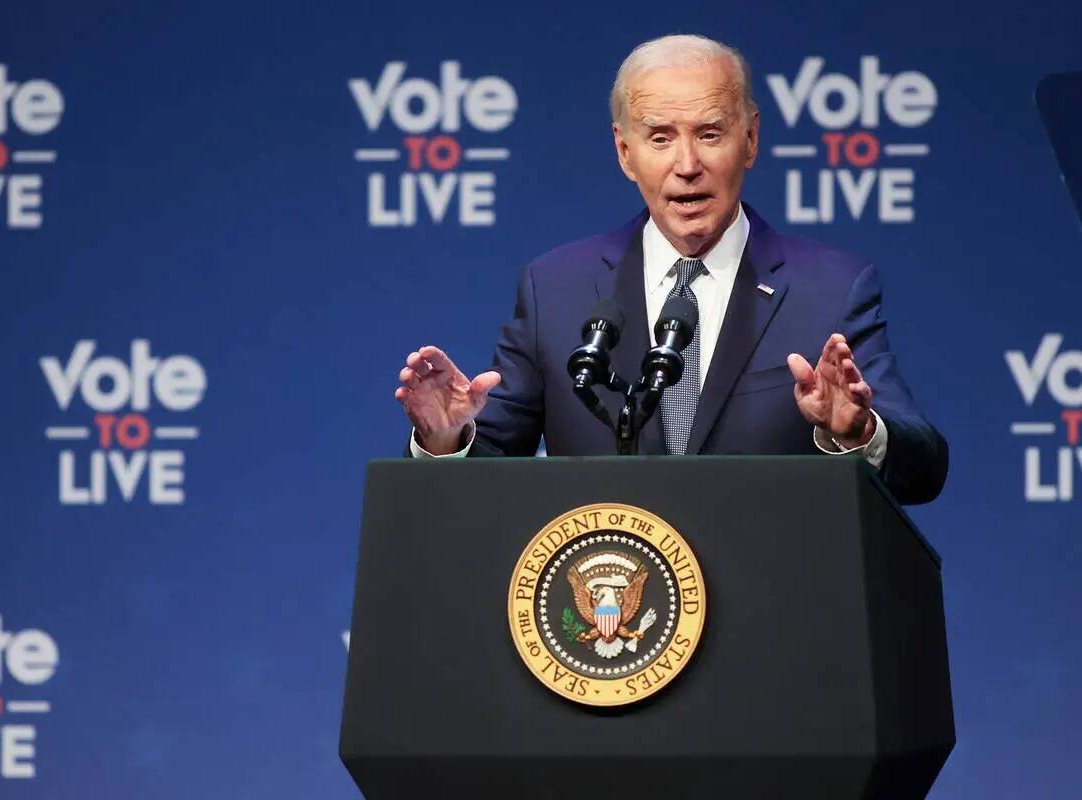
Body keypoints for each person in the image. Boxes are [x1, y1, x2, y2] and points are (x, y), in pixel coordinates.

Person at [394, 34, 948, 505]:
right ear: (625, 151)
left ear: (750, 139)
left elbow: (922, 467)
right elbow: (490, 461)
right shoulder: (554, 287)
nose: (687, 166)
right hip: (608, 617)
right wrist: (445, 438)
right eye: (660, 138)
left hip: (778, 615)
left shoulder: (829, 289)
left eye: (710, 134)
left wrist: (857, 431)